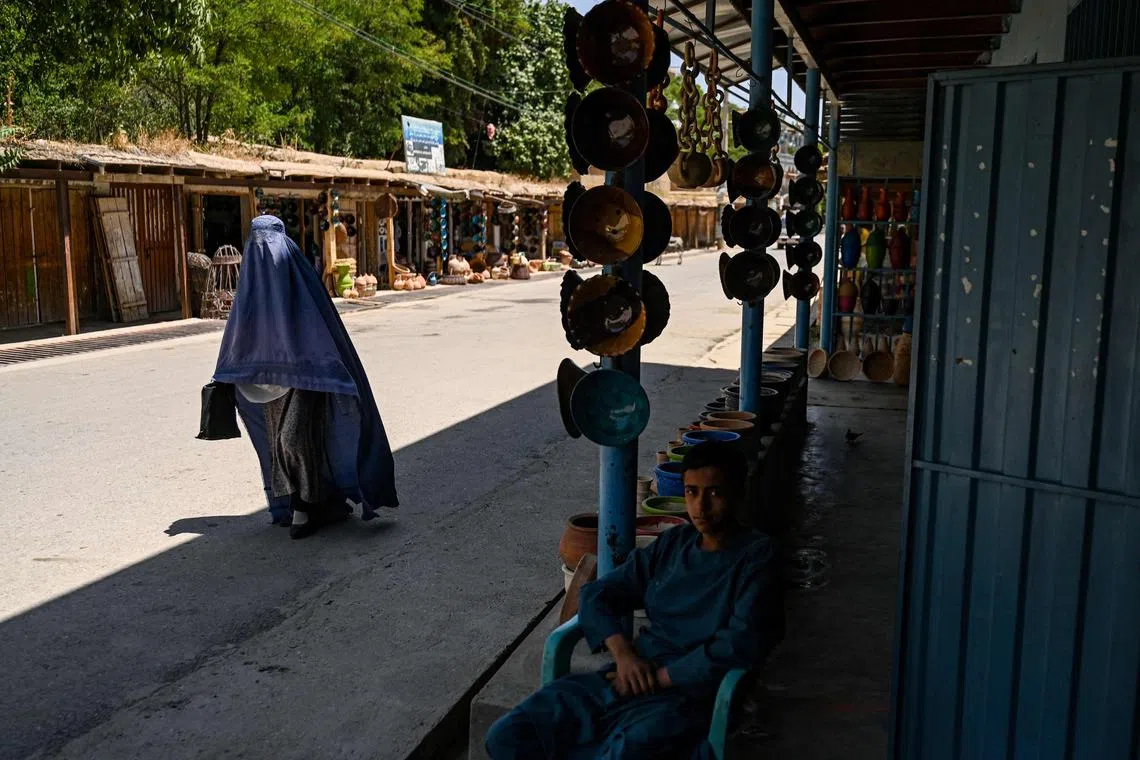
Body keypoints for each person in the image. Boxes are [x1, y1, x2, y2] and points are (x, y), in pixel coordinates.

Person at [485, 441, 782, 759]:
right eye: (692, 492)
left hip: (690, 696)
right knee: (508, 735)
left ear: (738, 492)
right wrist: (624, 655)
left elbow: (738, 645)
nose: (700, 507)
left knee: (621, 751)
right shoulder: (674, 544)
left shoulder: (757, 557)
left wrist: (659, 678)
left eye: (715, 493)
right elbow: (598, 593)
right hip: (626, 677)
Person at [210, 215, 398, 538]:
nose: (264, 252)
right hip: (265, 384)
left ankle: (306, 506)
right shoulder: (251, 286)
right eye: (257, 244)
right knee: (279, 446)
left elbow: (320, 327)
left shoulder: (298, 277)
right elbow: (236, 336)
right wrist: (227, 373)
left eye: (269, 243)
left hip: (305, 376)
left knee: (294, 438)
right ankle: (301, 505)